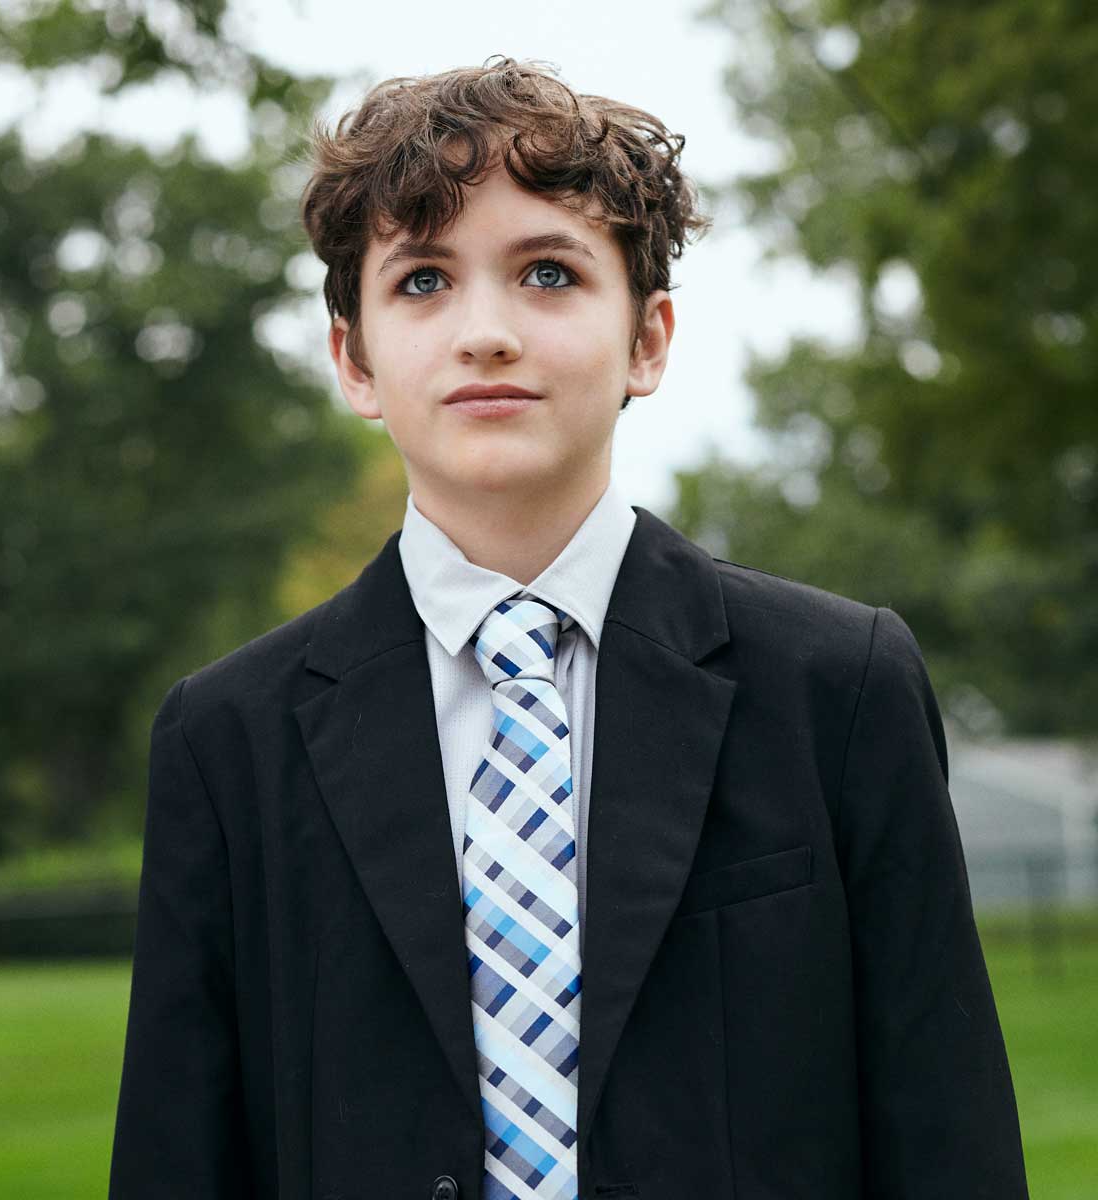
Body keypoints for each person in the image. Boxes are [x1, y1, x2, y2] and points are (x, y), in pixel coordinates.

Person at [109, 56, 1029, 1200]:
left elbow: (949, 1137)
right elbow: (177, 1157)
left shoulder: (840, 687)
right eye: (423, 281)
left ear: (648, 340)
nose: (486, 331)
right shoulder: (225, 738)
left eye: (548, 272)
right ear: (353, 359)